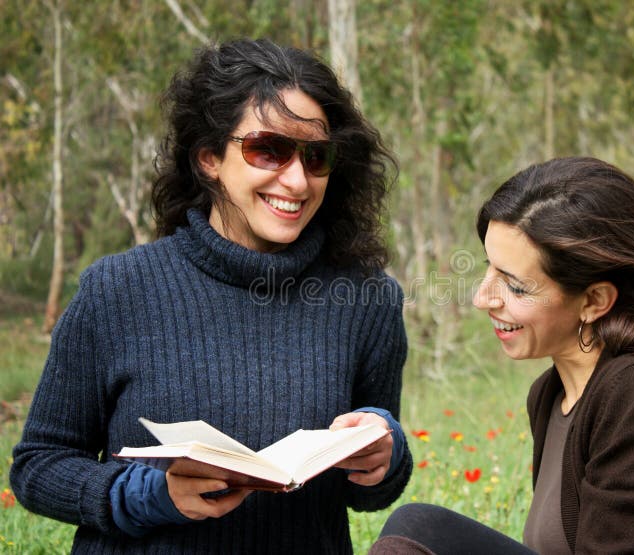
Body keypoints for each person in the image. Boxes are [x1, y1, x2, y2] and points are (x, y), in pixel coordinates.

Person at [11, 37, 412, 554]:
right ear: (209, 158)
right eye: (269, 149)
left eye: (317, 156)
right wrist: (145, 496)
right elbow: (38, 465)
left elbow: (372, 494)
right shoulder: (116, 289)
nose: (296, 180)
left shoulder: (368, 300)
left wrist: (385, 455)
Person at [370, 157, 634, 555]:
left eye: (515, 286)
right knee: (418, 528)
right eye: (490, 268)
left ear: (594, 300)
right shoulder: (550, 394)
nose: (481, 298)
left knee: (419, 529)